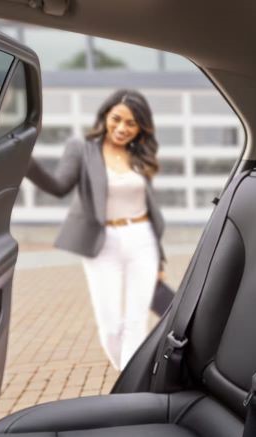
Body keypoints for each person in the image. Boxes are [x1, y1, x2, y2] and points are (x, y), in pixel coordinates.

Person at [25, 89, 166, 371]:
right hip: (103, 243)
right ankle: (126, 371)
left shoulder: (140, 155)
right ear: (105, 116)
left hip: (142, 240)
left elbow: (147, 207)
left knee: (137, 320)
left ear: (140, 128)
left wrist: (159, 256)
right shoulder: (82, 148)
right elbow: (58, 186)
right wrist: (23, 159)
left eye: (131, 124)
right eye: (117, 119)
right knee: (111, 325)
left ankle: (131, 384)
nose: (122, 128)